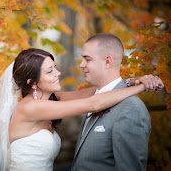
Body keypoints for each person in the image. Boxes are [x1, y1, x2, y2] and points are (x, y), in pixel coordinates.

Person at [0, 47, 163, 171]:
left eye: (54, 68)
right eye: (49, 71)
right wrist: (142, 88)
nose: (57, 74)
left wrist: (133, 81)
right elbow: (93, 103)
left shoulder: (50, 99)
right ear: (32, 82)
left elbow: (91, 93)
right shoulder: (30, 108)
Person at [61, 33, 163, 171]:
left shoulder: (131, 109)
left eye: (87, 59)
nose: (81, 65)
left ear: (108, 62)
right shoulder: (94, 98)